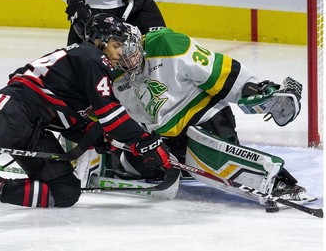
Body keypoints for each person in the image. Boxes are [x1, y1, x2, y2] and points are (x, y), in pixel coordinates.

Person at [0, 13, 172, 213]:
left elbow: (69, 116)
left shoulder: (89, 64)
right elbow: (111, 115)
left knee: (65, 191)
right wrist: (145, 141)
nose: (119, 53)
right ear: (100, 41)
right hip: (14, 108)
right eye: (116, 45)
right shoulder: (92, 58)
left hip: (36, 127)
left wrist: (94, 135)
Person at [108, 24, 315, 205]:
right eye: (121, 56)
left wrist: (251, 88)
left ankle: (280, 183)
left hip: (205, 119)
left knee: (223, 163)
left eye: (132, 50)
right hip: (166, 138)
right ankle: (187, 166)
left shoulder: (166, 44)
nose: (130, 59)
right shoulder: (112, 76)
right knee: (130, 163)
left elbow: (216, 69)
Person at [50, 0, 166, 45]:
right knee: (86, 68)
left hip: (138, 4)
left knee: (161, 44)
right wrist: (77, 5)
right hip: (92, 12)